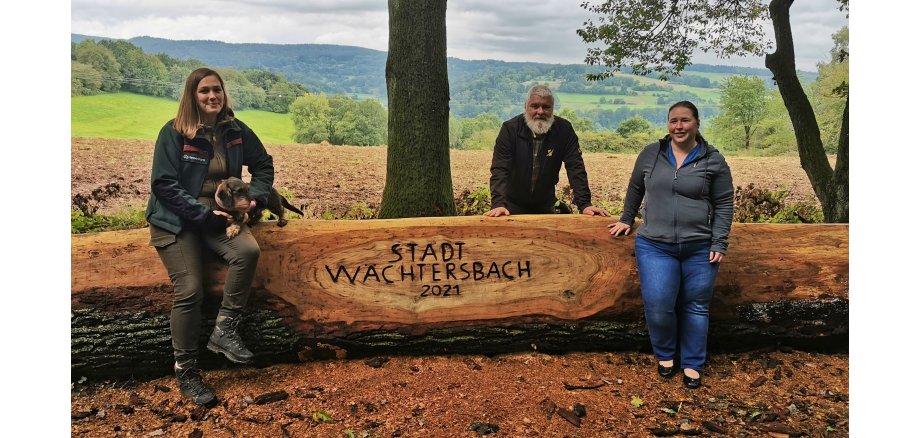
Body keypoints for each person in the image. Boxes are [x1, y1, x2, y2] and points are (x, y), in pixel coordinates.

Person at [146, 67, 275, 406]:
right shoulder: (174, 133)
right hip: (177, 219)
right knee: (190, 289)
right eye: (204, 91)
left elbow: (263, 165)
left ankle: (225, 330)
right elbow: (163, 185)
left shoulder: (235, 130)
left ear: (223, 93)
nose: (212, 96)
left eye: (216, 90)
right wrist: (204, 216)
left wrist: (254, 200)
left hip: (220, 213)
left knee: (247, 252)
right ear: (192, 96)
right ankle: (186, 369)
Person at [608, 101, 733, 389]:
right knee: (659, 303)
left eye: (685, 120)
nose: (679, 126)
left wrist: (719, 240)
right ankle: (665, 354)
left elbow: (725, 203)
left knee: (696, 306)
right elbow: (635, 187)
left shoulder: (713, 159)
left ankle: (692, 363)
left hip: (700, 246)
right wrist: (627, 218)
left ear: (697, 123)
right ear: (668, 124)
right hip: (655, 245)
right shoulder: (652, 154)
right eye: (673, 120)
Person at [485, 84, 609, 217]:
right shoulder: (510, 129)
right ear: (525, 107)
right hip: (511, 205)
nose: (540, 111)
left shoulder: (564, 130)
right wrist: (498, 204)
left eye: (546, 107)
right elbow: (500, 169)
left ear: (552, 109)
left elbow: (575, 167)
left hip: (545, 205)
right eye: (535, 106)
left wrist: (585, 204)